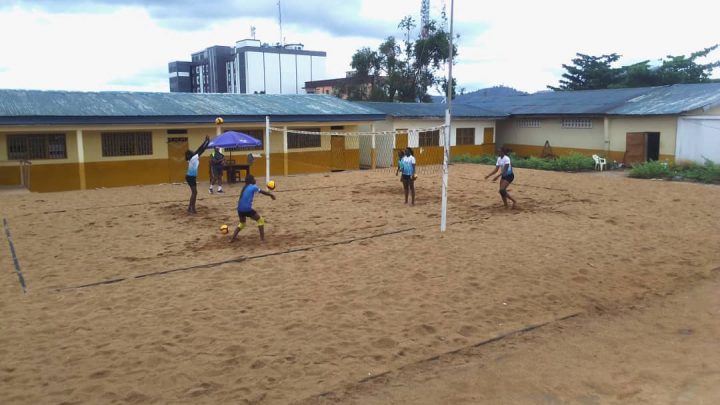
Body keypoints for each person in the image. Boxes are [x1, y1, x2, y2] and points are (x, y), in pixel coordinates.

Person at [230, 174, 276, 242]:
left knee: (242, 223)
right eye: (254, 179)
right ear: (251, 181)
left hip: (239, 209)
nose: (255, 180)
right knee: (260, 220)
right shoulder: (253, 187)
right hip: (247, 209)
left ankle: (233, 238)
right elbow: (262, 192)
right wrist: (271, 195)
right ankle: (262, 239)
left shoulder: (244, 187)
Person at [185, 136, 210, 214]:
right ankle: (192, 208)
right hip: (190, 177)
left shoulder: (192, 158)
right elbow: (201, 150)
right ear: (190, 154)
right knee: (194, 192)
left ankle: (190, 207)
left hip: (190, 177)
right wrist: (207, 142)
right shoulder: (193, 158)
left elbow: (199, 149)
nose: (193, 151)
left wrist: (206, 141)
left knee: (194, 192)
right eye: (192, 151)